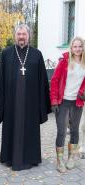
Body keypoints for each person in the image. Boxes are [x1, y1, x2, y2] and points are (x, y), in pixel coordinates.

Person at [0, 24, 51, 171]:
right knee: (12, 126)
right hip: (11, 102)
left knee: (29, 127)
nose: (21, 37)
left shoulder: (36, 54)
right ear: (15, 35)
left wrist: (42, 105)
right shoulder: (6, 54)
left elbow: (42, 81)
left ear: (29, 36)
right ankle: (9, 157)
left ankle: (31, 158)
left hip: (30, 102)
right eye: (19, 34)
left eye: (24, 34)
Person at [50, 36, 85, 173]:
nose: (77, 49)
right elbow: (54, 81)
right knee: (62, 132)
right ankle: (60, 160)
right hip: (63, 101)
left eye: (80, 46)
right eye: (75, 46)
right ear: (71, 48)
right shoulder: (64, 61)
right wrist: (53, 101)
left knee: (75, 130)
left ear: (83, 47)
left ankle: (71, 158)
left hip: (77, 102)